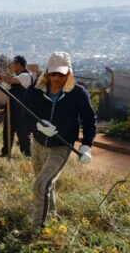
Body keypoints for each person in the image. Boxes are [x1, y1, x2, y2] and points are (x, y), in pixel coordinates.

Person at [27, 52, 96, 228]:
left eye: (61, 74)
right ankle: (52, 218)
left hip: (61, 147)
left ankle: (37, 229)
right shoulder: (36, 90)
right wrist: (37, 125)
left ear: (69, 73)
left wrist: (86, 146)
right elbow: (24, 114)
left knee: (41, 185)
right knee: (46, 185)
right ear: (47, 72)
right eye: (53, 73)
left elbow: (89, 120)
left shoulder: (78, 94)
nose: (57, 78)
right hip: (38, 144)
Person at [0, 55, 34, 157]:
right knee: (7, 131)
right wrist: (4, 81)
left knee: (22, 133)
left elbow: (9, 81)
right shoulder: (16, 76)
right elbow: (7, 86)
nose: (12, 65)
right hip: (12, 109)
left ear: (19, 64)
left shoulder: (26, 76)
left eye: (13, 63)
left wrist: (2, 76)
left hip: (22, 111)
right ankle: (6, 152)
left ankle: (27, 154)